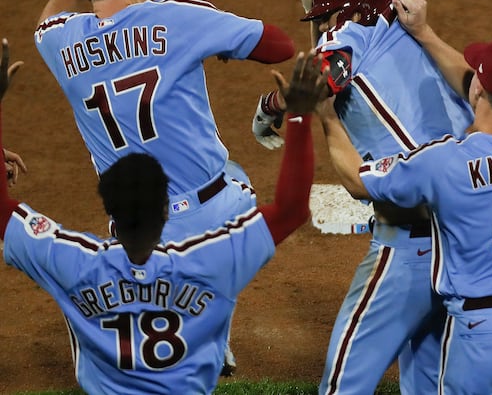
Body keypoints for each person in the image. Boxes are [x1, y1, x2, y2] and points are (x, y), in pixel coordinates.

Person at [33, 0, 295, 375]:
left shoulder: (61, 41)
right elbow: (279, 47)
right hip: (218, 218)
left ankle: (178, 322)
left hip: (139, 232)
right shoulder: (175, 17)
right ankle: (210, 326)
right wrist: (211, 41)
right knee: (233, 177)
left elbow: (47, 18)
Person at [0, 38, 326, 395]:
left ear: (109, 211)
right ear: (165, 210)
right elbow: (292, 209)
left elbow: (3, 212)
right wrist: (298, 113)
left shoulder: (72, 263)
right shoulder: (208, 262)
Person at [315, 0, 492, 393]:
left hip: (482, 332)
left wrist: (327, 116)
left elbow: (357, 181)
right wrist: (424, 34)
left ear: (482, 87)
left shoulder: (445, 162)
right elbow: (476, 84)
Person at [253, 0, 474, 394]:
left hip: (409, 251)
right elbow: (343, 60)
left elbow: (315, 83)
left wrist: (269, 110)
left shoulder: (350, 33)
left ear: (349, 12)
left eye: (329, 15)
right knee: (430, 382)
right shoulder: (416, 38)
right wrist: (322, 22)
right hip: (466, 243)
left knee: (342, 384)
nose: (327, 25)